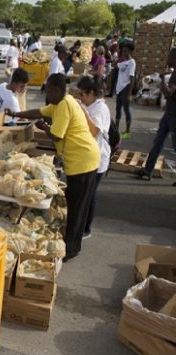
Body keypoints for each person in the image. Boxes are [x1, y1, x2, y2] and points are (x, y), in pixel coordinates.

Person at [6, 73, 100, 262]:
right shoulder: (61, 102)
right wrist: (15, 114)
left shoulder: (65, 105)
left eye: (48, 90)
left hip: (83, 161)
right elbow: (39, 112)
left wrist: (43, 126)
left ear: (57, 90)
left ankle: (72, 249)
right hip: (81, 160)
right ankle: (72, 243)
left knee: (77, 207)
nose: (46, 93)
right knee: (76, 204)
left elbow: (56, 135)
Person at [75, 75, 111, 239]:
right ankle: (81, 225)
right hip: (87, 157)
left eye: (82, 94)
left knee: (89, 195)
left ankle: (86, 229)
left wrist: (82, 111)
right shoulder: (91, 105)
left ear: (91, 93)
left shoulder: (100, 109)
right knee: (85, 194)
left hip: (98, 159)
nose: (80, 97)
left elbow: (94, 131)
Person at [138, 47, 176, 184]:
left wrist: (162, 84)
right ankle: (147, 171)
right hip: (169, 114)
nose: (167, 60)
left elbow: (171, 94)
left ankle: (148, 171)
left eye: (169, 57)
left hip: (173, 116)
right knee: (158, 142)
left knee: (168, 144)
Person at [115, 43, 135, 139]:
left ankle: (127, 131)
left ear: (130, 51)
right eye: (122, 51)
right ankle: (116, 129)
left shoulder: (132, 62)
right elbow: (114, 65)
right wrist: (119, 58)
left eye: (126, 51)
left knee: (126, 110)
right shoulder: (122, 62)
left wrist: (129, 93)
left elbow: (132, 79)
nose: (124, 52)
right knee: (117, 109)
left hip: (125, 89)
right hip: (119, 89)